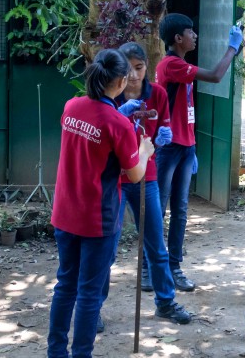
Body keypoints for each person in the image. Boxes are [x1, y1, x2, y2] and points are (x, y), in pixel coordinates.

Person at [48, 49, 154, 358]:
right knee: (90, 293)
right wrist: (145, 150)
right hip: (97, 219)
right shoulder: (118, 125)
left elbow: (91, 133)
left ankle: (56, 352)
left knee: (65, 284)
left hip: (65, 213)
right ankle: (82, 354)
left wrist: (116, 118)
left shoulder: (71, 106)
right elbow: (134, 175)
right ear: (121, 81)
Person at [98, 42, 192, 332]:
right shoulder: (108, 96)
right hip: (113, 177)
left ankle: (165, 301)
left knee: (155, 243)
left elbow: (164, 127)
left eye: (139, 68)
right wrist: (122, 115)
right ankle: (93, 305)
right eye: (128, 69)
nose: (135, 75)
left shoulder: (159, 94)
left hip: (145, 175)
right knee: (106, 247)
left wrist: (165, 136)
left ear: (146, 68)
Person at [155, 13, 243, 291]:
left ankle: (174, 267)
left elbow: (187, 111)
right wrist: (233, 47)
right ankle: (152, 267)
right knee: (160, 208)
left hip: (184, 146)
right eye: (191, 31)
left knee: (180, 209)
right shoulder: (172, 65)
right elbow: (217, 76)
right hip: (169, 148)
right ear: (178, 38)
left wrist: (192, 146)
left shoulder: (182, 65)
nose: (196, 36)